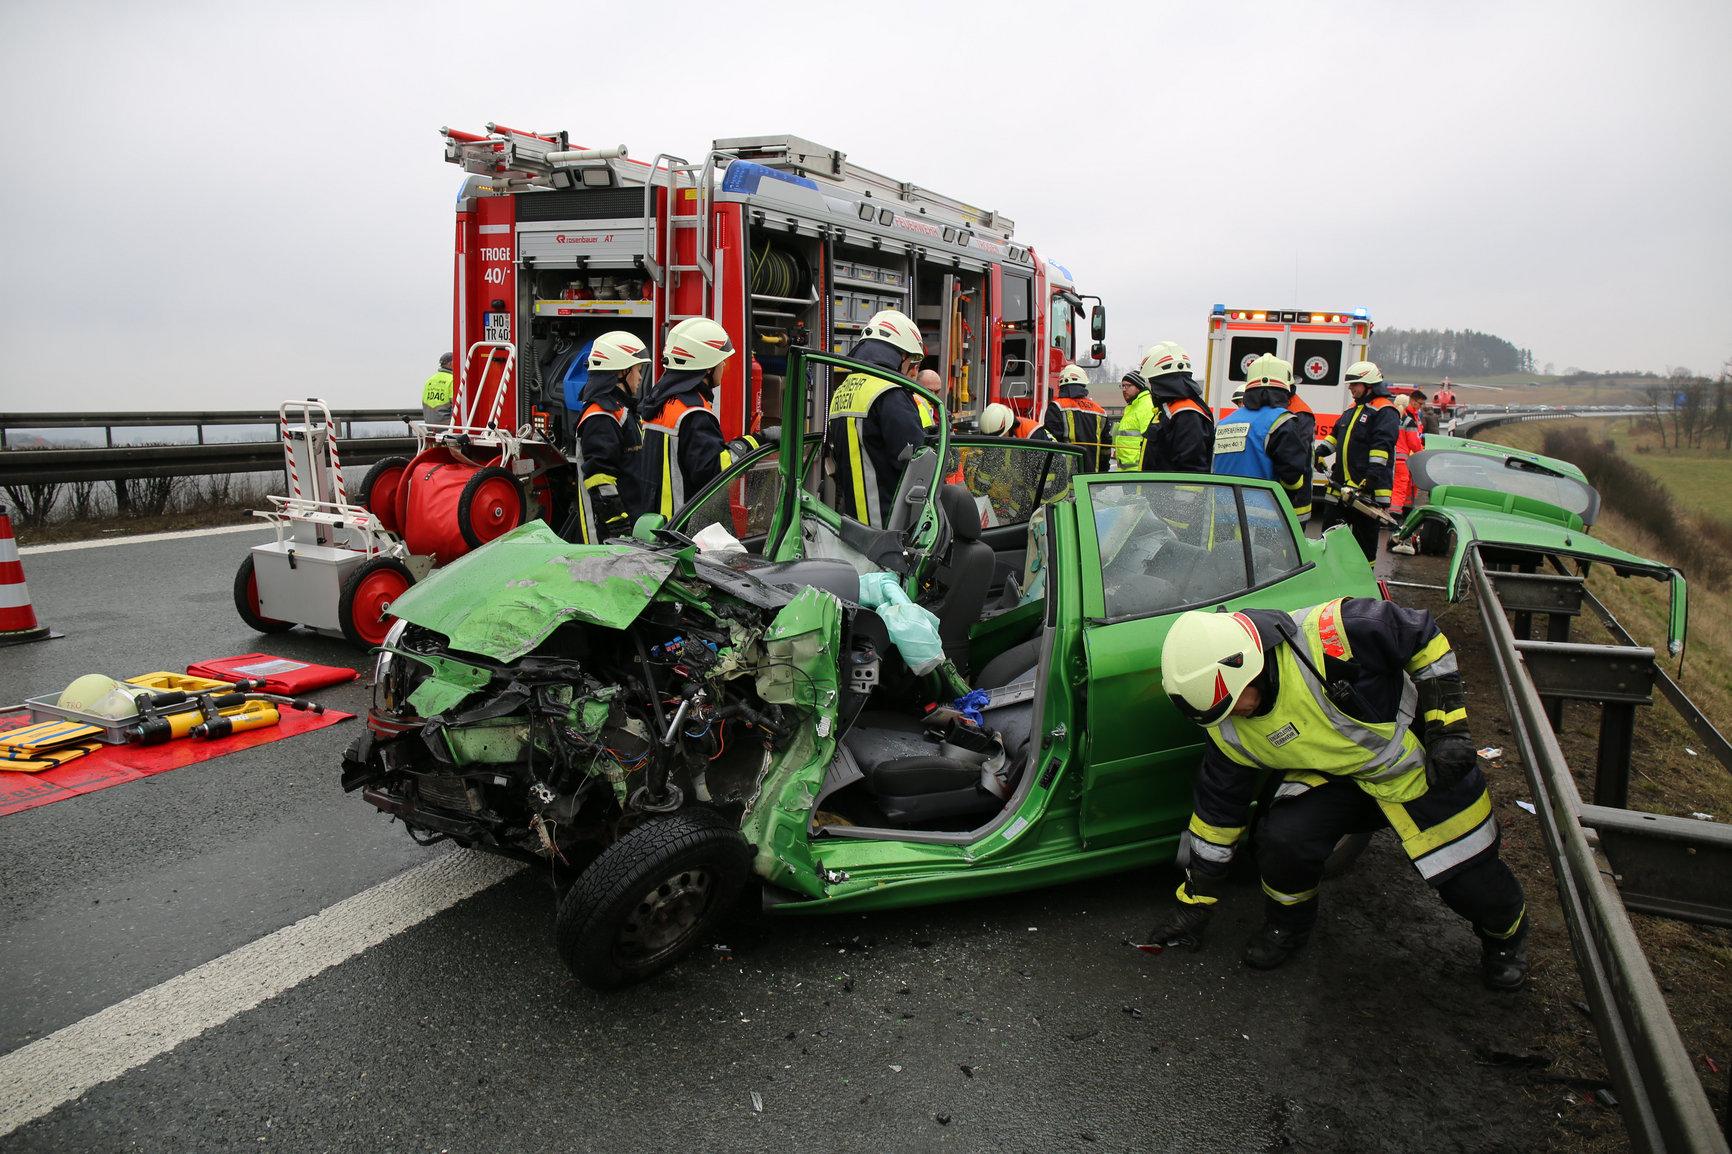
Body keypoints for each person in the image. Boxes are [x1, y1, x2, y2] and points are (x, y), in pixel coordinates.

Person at [1147, 599, 1530, 990]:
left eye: (1229, 706)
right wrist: (1194, 904)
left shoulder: (1332, 634)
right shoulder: (1226, 728)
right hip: (1334, 780)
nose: (1227, 718)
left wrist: (1447, 730)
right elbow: (1216, 818)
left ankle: (1505, 940)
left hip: (1419, 766)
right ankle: (1288, 928)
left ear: (1247, 667)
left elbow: (1422, 636)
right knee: (1283, 843)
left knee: (1470, 880)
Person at [637, 317, 761, 520]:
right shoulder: (694, 413)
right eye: (721, 361)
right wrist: (755, 441)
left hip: (654, 525)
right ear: (707, 366)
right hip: (683, 533)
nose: (723, 365)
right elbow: (715, 473)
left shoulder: (660, 402)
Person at [829, 309, 927, 525]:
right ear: (900, 355)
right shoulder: (890, 393)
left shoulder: (843, 390)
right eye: (910, 360)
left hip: (848, 524)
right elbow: (915, 465)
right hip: (885, 528)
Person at [569, 331, 650, 542]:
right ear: (622, 371)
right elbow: (599, 478)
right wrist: (618, 526)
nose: (640, 377)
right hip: (605, 535)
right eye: (638, 370)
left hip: (628, 524)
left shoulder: (619, 411)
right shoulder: (601, 416)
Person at [1211, 354, 1314, 521]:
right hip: (1263, 523)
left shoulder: (1224, 423)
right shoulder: (1282, 422)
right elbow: (1292, 477)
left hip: (1222, 517)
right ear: (1285, 388)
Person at [1318, 360, 1399, 560]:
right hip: (1340, 489)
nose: (1351, 389)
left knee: (1364, 546)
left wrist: (1371, 478)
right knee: (1330, 541)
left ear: (1369, 386)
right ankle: (1329, 581)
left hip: (1367, 493)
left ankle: (1363, 582)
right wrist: (1319, 452)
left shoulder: (1385, 411)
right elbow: (1335, 436)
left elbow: (1382, 448)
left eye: (1355, 384)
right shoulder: (1353, 409)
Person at [1139, 342, 1214, 474]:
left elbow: (1191, 472)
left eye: (1151, 381)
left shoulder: (1186, 415)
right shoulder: (1169, 411)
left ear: (1158, 381)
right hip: (1157, 493)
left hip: (1170, 494)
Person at [1045, 364, 1110, 470]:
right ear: (1083, 383)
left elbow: (1051, 444)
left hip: (1066, 478)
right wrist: (1102, 474)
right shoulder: (1100, 411)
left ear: (1061, 384)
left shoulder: (1056, 407)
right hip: (1092, 479)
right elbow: (1105, 448)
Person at [1112, 370, 1154, 469]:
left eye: (1128, 386)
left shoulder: (1145, 406)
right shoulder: (1132, 407)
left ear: (1138, 387)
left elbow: (1149, 442)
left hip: (1138, 473)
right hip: (1127, 472)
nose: (1124, 389)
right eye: (1122, 386)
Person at [980, 402, 1053, 441]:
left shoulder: (1033, 434)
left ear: (1008, 427)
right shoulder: (1007, 433)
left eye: (1000, 436)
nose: (995, 443)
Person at [422, 352, 455, 426]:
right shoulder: (452, 380)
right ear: (451, 364)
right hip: (447, 426)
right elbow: (456, 406)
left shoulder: (430, 380)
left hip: (429, 425)